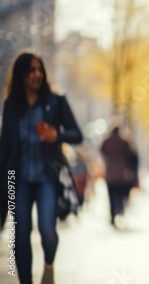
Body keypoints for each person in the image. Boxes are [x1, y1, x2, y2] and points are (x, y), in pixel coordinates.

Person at [0, 50, 83, 284]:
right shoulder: (11, 105)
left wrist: (58, 135)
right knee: (21, 234)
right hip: (19, 179)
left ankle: (48, 265)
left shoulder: (55, 101)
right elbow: (5, 147)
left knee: (47, 230)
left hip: (48, 176)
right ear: (21, 75)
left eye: (40, 69)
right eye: (31, 70)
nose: (37, 74)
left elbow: (77, 135)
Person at [100, 126, 138, 227]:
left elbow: (102, 150)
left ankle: (112, 215)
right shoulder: (124, 142)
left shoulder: (107, 141)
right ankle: (120, 211)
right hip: (121, 173)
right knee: (120, 195)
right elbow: (130, 153)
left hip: (110, 173)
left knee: (111, 196)